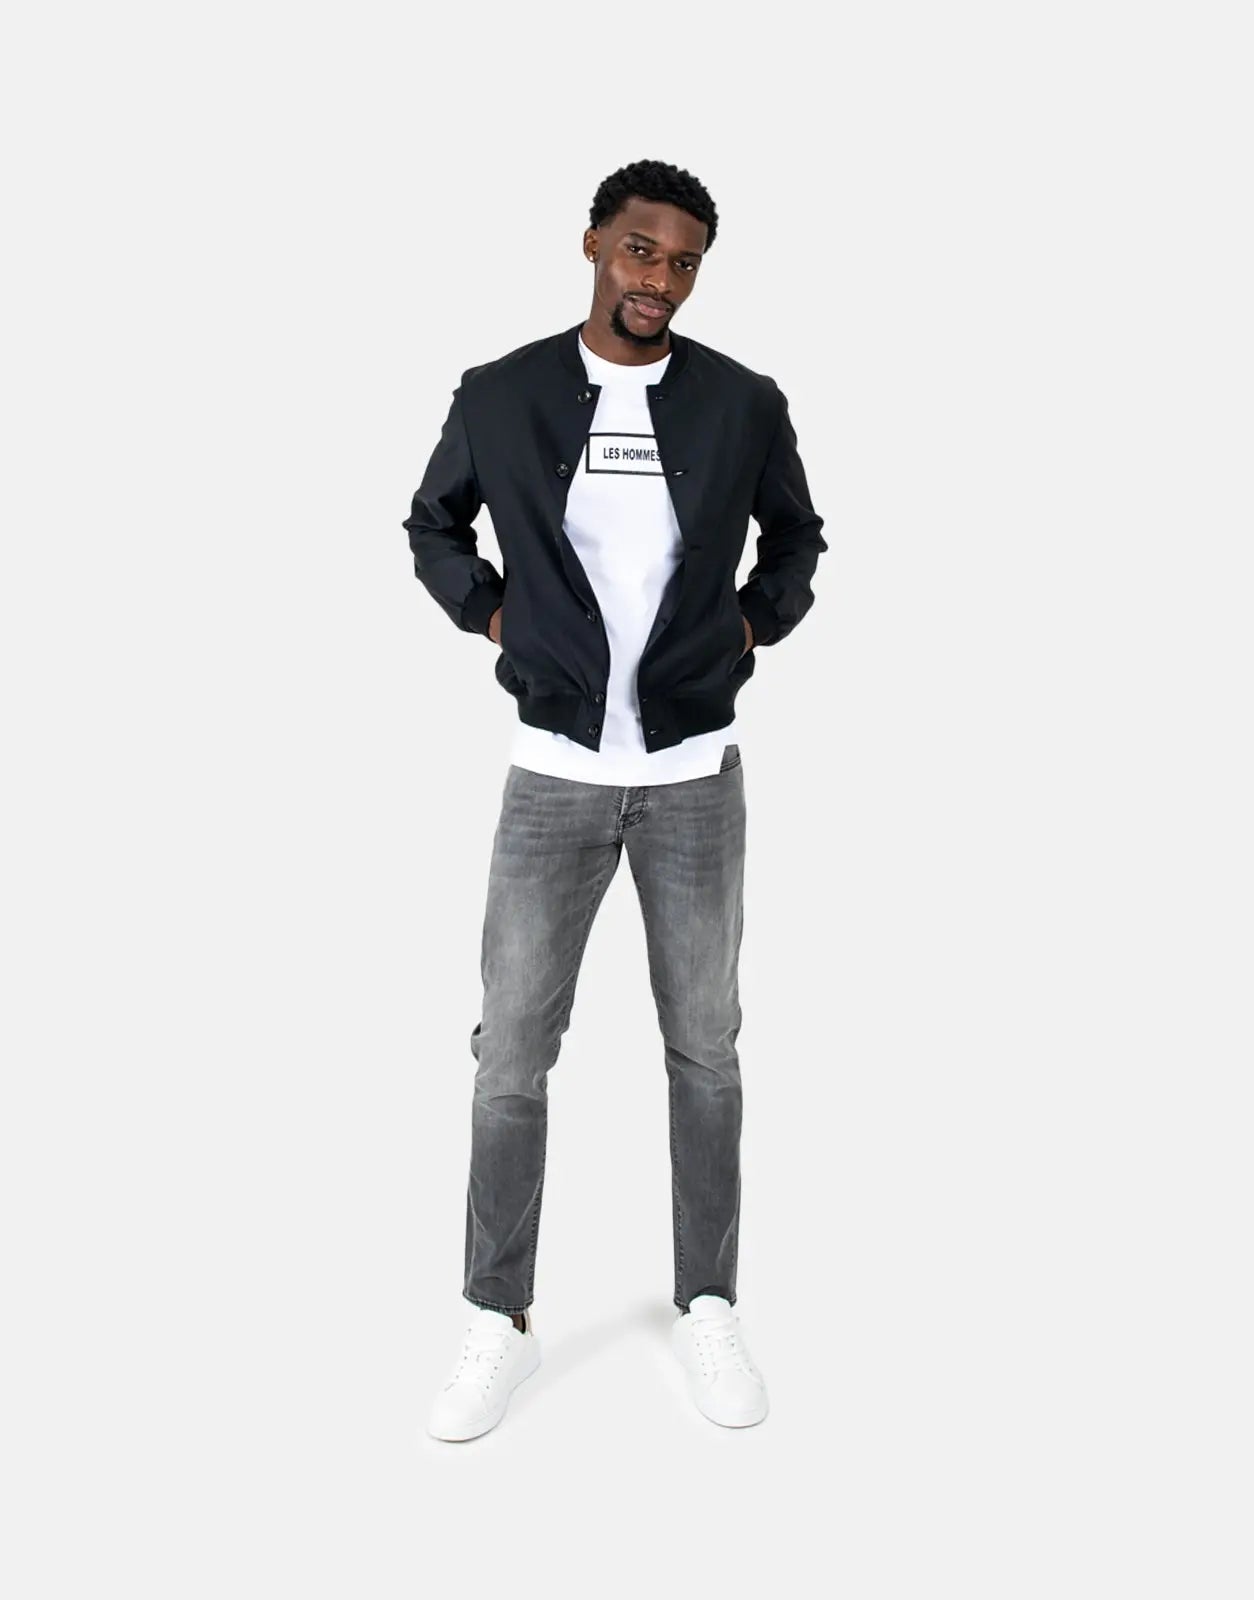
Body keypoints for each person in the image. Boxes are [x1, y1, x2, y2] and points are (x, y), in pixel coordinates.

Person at [403, 159, 827, 1440]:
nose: (661, 280)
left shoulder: (743, 402)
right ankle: (498, 1317)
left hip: (694, 777)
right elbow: (433, 526)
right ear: (594, 244)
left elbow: (797, 540)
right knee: (510, 1056)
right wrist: (498, 621)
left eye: (685, 261)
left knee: (706, 1050)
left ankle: (709, 1303)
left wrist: (749, 628)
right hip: (556, 776)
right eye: (642, 251)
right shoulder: (504, 393)